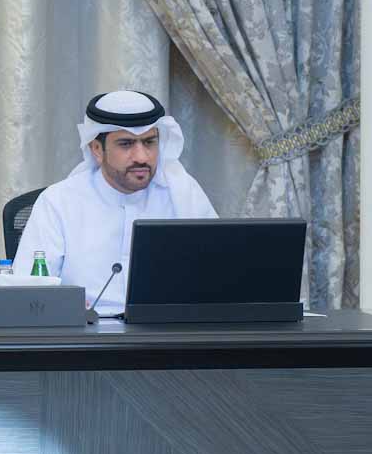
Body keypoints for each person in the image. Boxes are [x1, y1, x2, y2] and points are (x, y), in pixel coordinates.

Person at [12, 89, 218, 314]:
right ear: (97, 149)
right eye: (126, 144)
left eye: (149, 142)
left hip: (167, 328)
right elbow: (27, 291)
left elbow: (218, 272)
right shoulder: (59, 201)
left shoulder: (183, 193)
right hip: (85, 329)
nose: (142, 157)